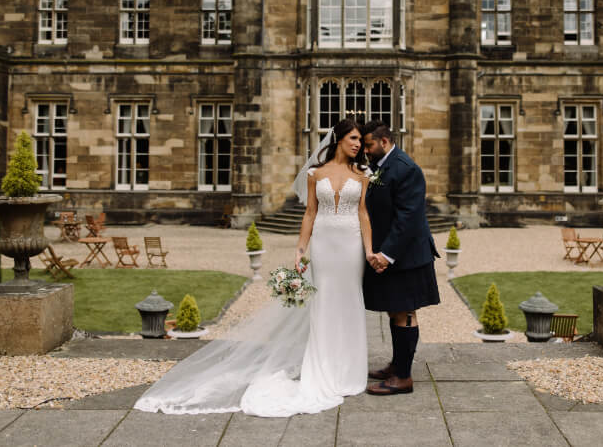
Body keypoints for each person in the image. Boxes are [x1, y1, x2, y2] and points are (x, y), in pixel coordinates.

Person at [134, 118, 373, 417]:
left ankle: (349, 371)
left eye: (360, 141)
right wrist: (300, 250)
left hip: (350, 246)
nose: (357, 144)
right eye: (353, 138)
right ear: (337, 139)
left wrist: (369, 250)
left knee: (350, 303)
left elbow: (363, 213)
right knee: (322, 305)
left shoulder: (363, 173)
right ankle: (323, 368)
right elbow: (310, 213)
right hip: (324, 245)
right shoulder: (315, 173)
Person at [361, 119, 440, 395]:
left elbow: (408, 218)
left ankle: (403, 377)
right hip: (394, 253)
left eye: (369, 144)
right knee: (396, 309)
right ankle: (397, 365)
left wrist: (386, 254)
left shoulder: (406, 169)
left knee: (405, 311)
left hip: (408, 256)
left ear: (384, 142)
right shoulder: (379, 167)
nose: (365, 150)